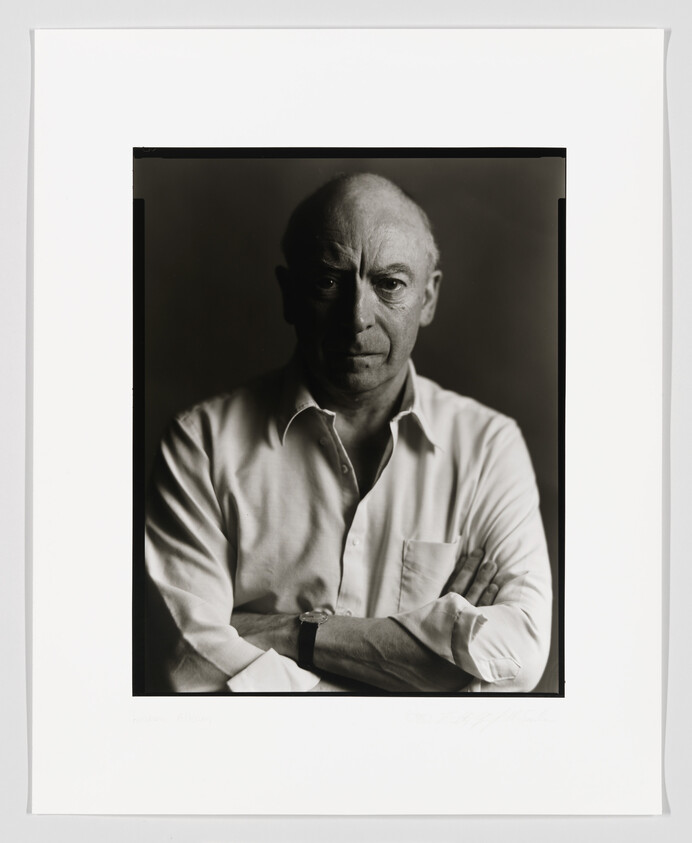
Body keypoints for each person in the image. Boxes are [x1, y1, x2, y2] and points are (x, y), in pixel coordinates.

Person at [144, 172, 553, 693]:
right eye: (329, 281)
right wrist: (417, 666)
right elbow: (188, 669)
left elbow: (519, 658)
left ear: (428, 299)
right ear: (290, 295)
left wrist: (290, 635)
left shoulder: (489, 446)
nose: (356, 318)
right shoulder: (199, 445)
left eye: (389, 284)